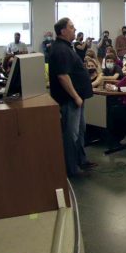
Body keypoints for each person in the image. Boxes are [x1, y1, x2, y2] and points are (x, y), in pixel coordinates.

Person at [48, 18, 95, 177]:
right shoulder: (60, 49)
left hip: (77, 99)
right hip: (70, 100)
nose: (75, 29)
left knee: (80, 130)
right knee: (71, 134)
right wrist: (75, 96)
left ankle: (82, 160)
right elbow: (63, 76)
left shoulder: (67, 47)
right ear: (63, 31)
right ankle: (71, 168)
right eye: (71, 27)